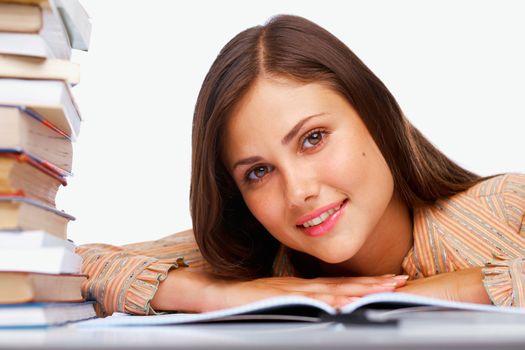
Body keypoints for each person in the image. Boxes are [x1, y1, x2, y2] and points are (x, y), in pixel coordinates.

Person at [77, 14, 525, 317]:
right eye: (258, 172)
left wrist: (444, 292)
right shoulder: (250, 265)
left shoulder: (504, 208)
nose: (297, 192)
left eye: (313, 139)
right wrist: (215, 294)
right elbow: (50, 268)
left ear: (378, 119)